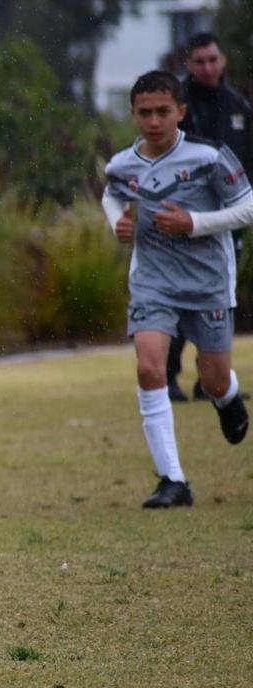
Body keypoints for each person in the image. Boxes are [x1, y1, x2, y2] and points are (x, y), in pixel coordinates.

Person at [102, 70, 253, 509]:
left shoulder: (209, 157)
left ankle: (227, 398)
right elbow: (111, 194)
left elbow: (247, 206)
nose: (154, 121)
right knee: (150, 369)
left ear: (180, 112)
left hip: (207, 283)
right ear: (133, 114)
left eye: (163, 111)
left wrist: (194, 223)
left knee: (213, 378)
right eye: (145, 112)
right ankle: (173, 479)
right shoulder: (122, 163)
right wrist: (118, 222)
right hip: (152, 283)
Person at [165, 33, 253, 402]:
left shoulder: (238, 106)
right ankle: (167, 376)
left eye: (212, 59)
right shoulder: (177, 105)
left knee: (218, 299)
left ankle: (211, 379)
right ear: (189, 64)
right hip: (182, 218)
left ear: (223, 61)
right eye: (199, 61)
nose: (207, 67)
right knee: (177, 298)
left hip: (226, 218)